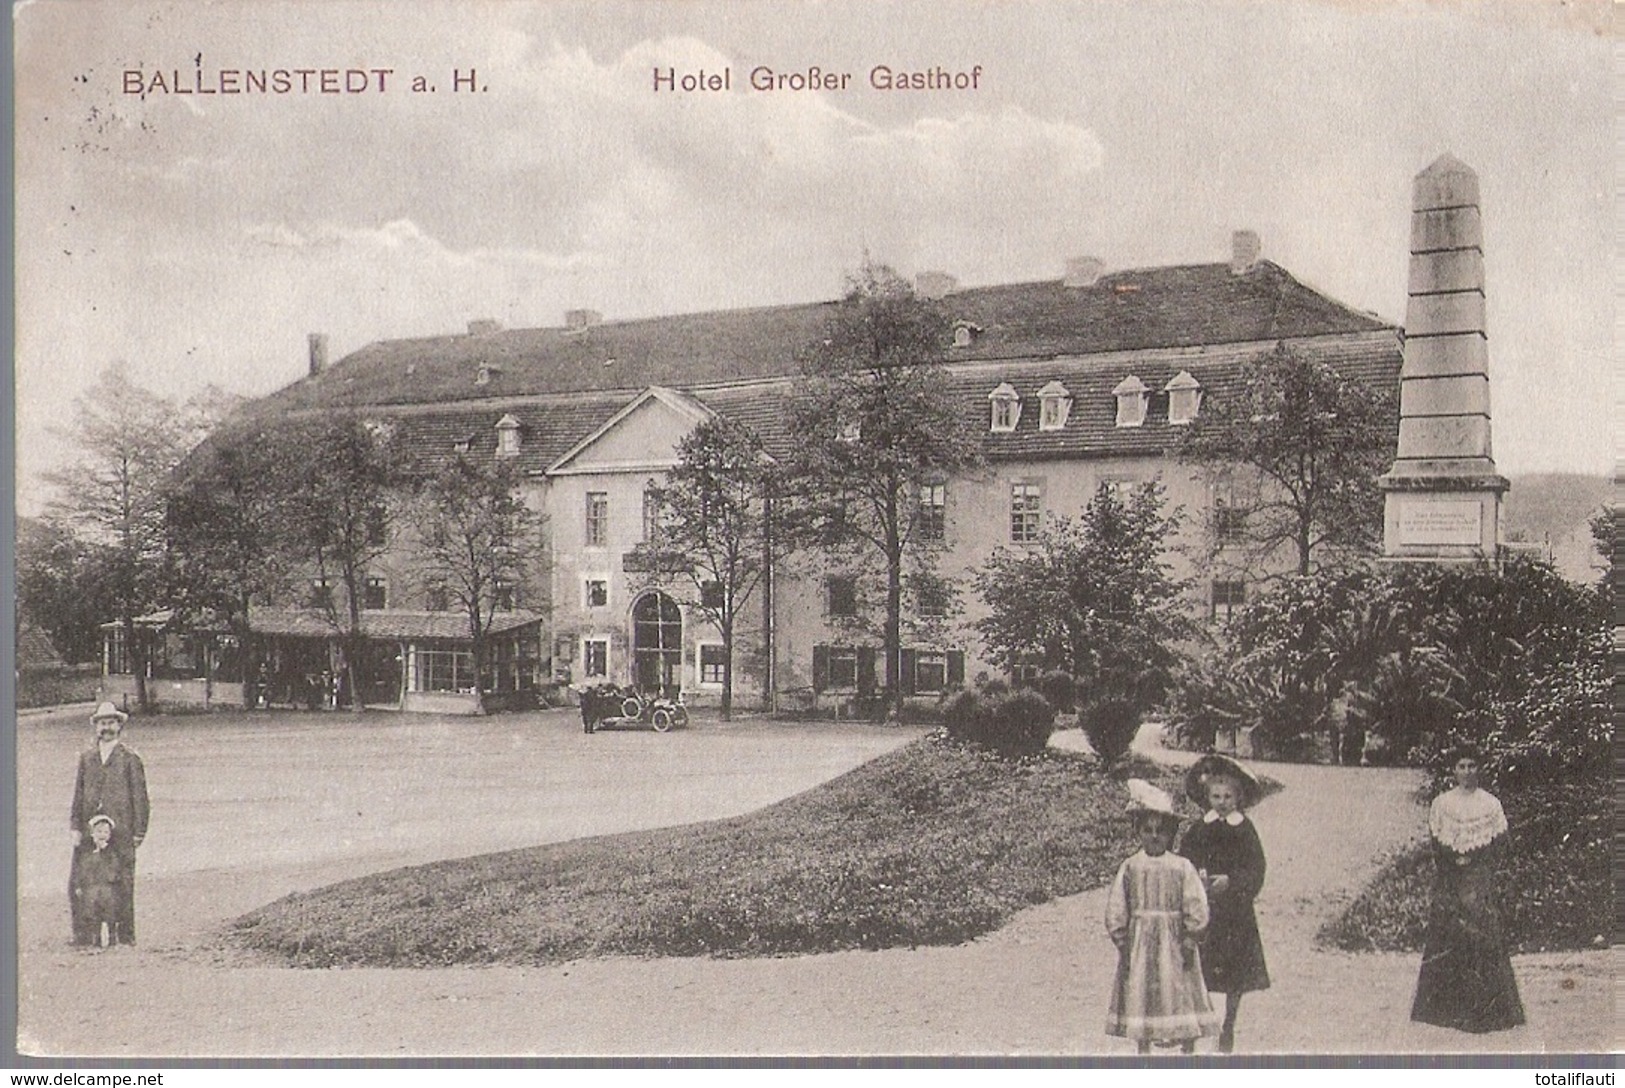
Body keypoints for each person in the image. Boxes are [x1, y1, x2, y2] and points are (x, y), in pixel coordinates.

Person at [1410, 744, 1526, 1034]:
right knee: (1448, 933)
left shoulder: (1490, 804)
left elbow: (1500, 846)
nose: (1466, 772)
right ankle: (1445, 1011)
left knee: (1483, 934)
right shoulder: (1442, 804)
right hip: (1451, 877)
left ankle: (1489, 1013)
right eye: (1461, 766)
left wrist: (1476, 863)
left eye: (1471, 766)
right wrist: (1453, 862)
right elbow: (1437, 845)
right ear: (1453, 770)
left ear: (1480, 769)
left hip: (1478, 878)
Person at [1105, 779, 1220, 1054]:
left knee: (1180, 988)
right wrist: (1122, 937)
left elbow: (1196, 902)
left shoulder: (1181, 867)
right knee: (1142, 990)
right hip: (1140, 941)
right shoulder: (1131, 866)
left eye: (1161, 832)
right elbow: (1117, 906)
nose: (1154, 837)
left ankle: (1187, 1046)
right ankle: (1143, 1047)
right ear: (1139, 833)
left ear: (1171, 835)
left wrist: (1192, 934)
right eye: (1148, 830)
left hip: (1174, 939)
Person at [1180, 753, 1271, 1053]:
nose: (1221, 802)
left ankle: (1228, 1024)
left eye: (1228, 796)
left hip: (1234, 912)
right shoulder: (1199, 829)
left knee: (1234, 973)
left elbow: (1255, 867)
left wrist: (1232, 882)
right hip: (1203, 910)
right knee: (1196, 971)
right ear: (1207, 797)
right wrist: (1197, 880)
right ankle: (1191, 1030)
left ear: (1238, 797)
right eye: (1215, 796)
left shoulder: (1243, 829)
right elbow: (1184, 863)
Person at [69, 702, 149, 946]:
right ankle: (83, 936)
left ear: (119, 725)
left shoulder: (130, 758)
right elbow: (79, 794)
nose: (106, 728)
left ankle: (125, 937)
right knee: (79, 882)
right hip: (88, 830)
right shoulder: (87, 758)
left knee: (122, 883)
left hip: (122, 831)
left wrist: (139, 832)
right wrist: (75, 827)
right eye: (102, 723)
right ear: (96, 727)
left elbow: (141, 798)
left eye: (111, 722)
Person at [70, 814, 124, 949]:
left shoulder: (111, 851)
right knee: (93, 914)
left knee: (110, 914)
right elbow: (81, 869)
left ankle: (112, 938)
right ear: (92, 833)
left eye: (106, 832)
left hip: (107, 888)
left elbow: (116, 868)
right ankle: (96, 939)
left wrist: (104, 852)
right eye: (99, 831)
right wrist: (78, 885)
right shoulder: (86, 852)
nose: (102, 835)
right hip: (92, 888)